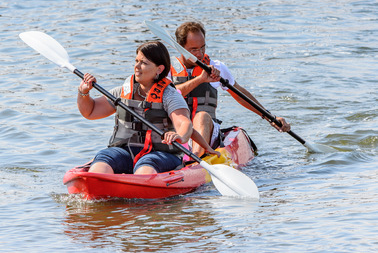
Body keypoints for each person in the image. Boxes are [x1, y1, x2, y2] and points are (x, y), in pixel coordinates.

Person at [77, 41, 217, 175]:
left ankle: (140, 192)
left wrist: (179, 135)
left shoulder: (170, 95)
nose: (137, 66)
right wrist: (84, 92)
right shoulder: (123, 91)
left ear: (159, 69)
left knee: (145, 168)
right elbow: (90, 111)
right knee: (101, 164)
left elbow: (184, 123)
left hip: (161, 154)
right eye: (136, 61)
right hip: (125, 151)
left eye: (144, 63)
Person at [170, 21, 291, 157]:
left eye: (203, 48)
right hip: (178, 130)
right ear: (180, 47)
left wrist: (270, 117)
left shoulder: (216, 67)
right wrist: (200, 80)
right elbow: (169, 95)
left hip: (207, 129)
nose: (200, 54)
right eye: (194, 50)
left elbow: (239, 95)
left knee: (202, 116)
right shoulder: (166, 70)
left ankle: (194, 160)